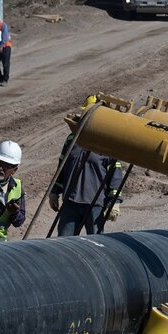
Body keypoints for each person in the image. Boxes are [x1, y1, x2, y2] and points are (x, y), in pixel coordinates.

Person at [50, 96, 124, 236]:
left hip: (95, 205)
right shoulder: (72, 139)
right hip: (71, 203)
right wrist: (54, 192)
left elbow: (115, 175)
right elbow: (62, 168)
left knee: (96, 244)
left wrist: (114, 202)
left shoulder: (108, 144)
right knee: (65, 243)